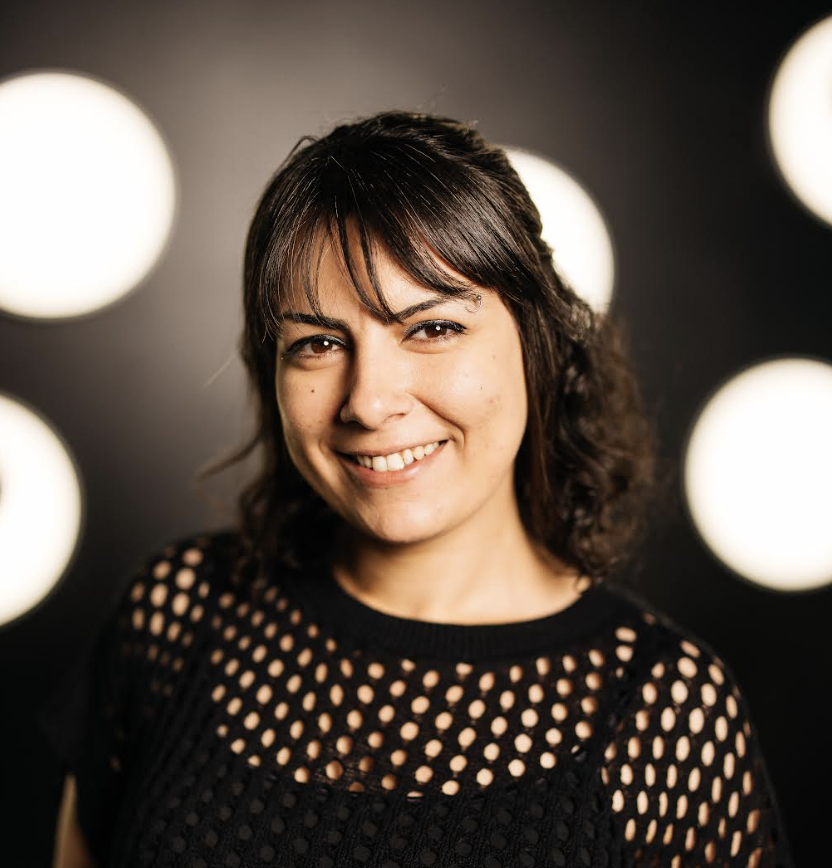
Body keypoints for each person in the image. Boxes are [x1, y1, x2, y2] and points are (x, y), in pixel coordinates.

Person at [40, 110, 794, 868]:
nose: (368, 401)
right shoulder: (180, 615)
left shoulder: (663, 711)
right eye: (320, 344)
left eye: (430, 329)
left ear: (537, 342)